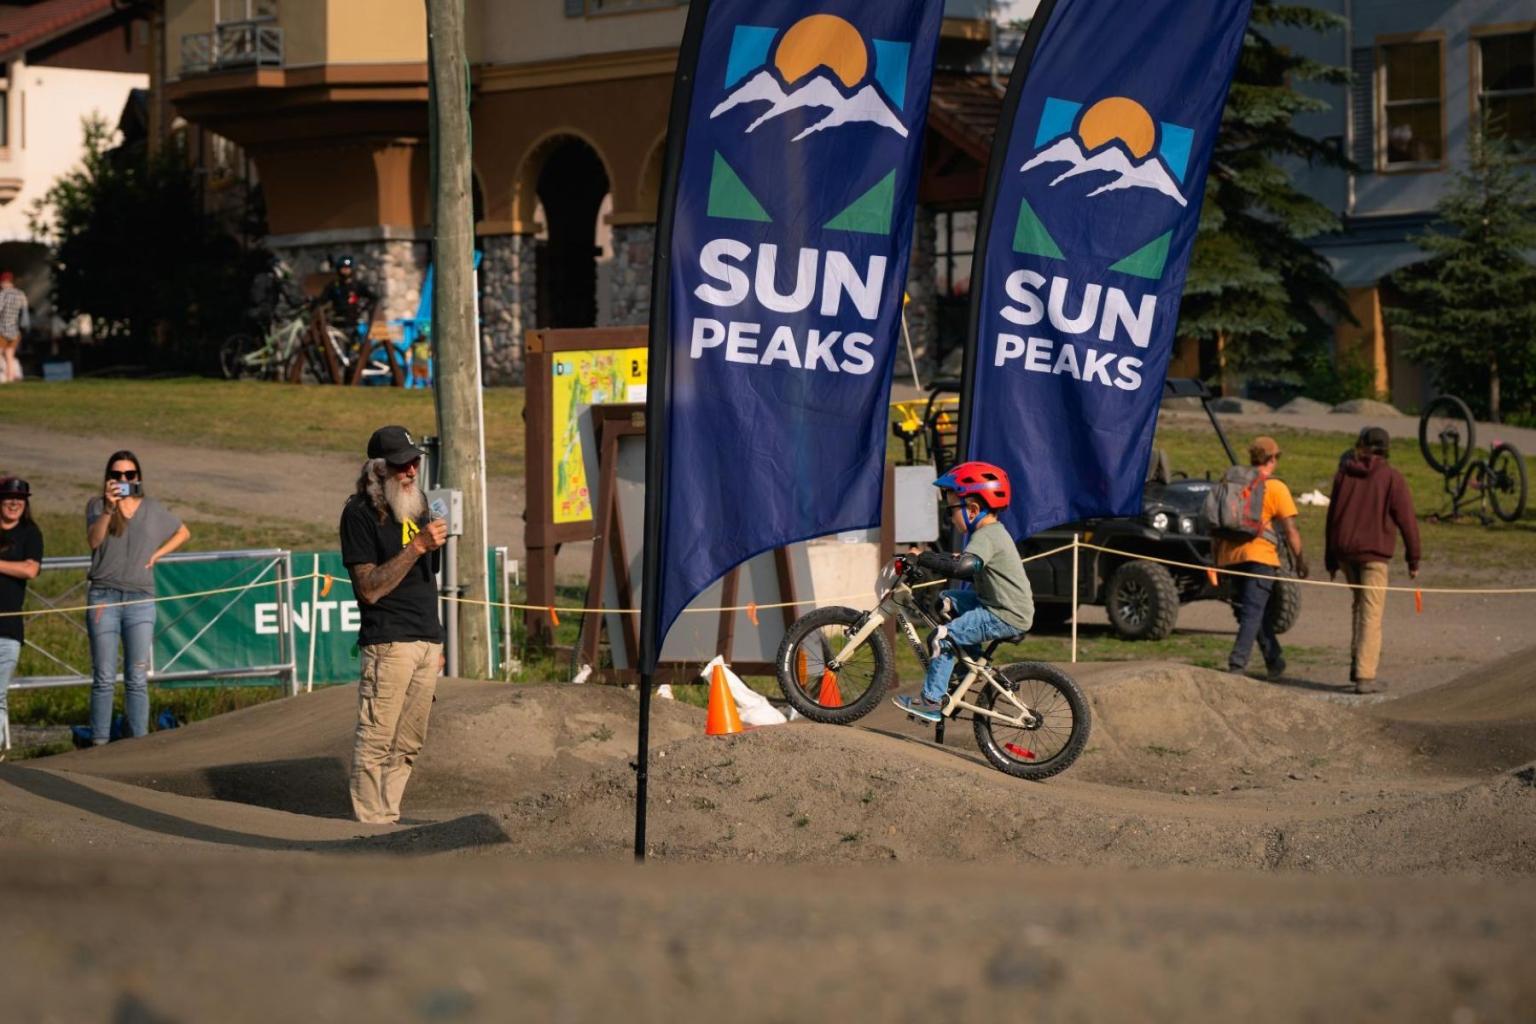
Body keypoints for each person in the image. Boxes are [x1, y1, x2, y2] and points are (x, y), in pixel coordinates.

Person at [339, 425, 447, 824]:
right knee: (377, 739)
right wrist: (417, 546)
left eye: (415, 461)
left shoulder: (418, 505)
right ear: (377, 470)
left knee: (409, 742)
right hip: (388, 642)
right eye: (403, 464)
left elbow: (426, 582)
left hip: (424, 640)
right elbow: (368, 589)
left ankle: (388, 816)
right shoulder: (358, 514)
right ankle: (370, 825)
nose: (412, 471)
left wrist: (437, 642)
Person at [893, 461, 1035, 723]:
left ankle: (932, 702)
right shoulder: (989, 534)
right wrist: (927, 558)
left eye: (951, 510)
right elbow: (959, 560)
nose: (950, 516)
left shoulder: (987, 536)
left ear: (972, 509)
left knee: (942, 637)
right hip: (996, 604)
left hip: (1004, 614)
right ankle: (963, 669)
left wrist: (923, 558)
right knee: (946, 601)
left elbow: (962, 566)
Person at [85, 451, 191, 744]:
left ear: (138, 477)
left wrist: (157, 554)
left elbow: (183, 532)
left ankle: (137, 745)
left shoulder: (152, 508)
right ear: (108, 479)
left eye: (129, 475)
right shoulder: (97, 506)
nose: (123, 480)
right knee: (104, 677)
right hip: (104, 596)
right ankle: (99, 743)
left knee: (136, 677)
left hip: (140, 599)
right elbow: (94, 541)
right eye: (117, 475)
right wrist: (109, 509)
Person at [1325, 426, 1421, 694]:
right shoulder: (1392, 478)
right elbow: (1408, 522)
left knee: (1359, 607)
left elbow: (1331, 518)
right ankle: (1365, 676)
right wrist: (1414, 559)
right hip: (1374, 555)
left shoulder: (1343, 475)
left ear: (1362, 445)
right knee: (1371, 614)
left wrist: (1330, 559)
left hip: (1345, 553)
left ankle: (1357, 663)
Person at [1213, 436, 1308, 679]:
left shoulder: (1232, 482)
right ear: (1272, 459)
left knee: (1255, 611)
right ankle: (1237, 665)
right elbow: (1290, 530)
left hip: (1230, 555)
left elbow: (1217, 522)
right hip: (1260, 557)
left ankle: (1274, 660)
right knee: (1252, 612)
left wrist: (1216, 560)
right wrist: (1300, 559)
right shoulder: (1275, 487)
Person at [0, 477, 43, 754]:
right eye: (8, 497)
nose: (14, 502)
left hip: (8, 630)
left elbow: (31, 569)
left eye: (20, 498)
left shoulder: (30, 533)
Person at [319, 255, 376, 337]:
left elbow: (373, 298)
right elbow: (322, 300)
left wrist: (363, 309)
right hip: (337, 325)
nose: (346, 270)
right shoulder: (333, 286)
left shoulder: (357, 285)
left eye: (348, 268)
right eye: (343, 268)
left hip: (353, 323)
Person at [0, 271, 29, 384]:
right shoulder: (20, 294)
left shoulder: (2, 295)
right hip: (15, 331)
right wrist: (25, 327)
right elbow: (25, 314)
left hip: (2, 330)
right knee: (10, 357)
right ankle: (10, 378)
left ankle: (5, 378)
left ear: (4, 282)